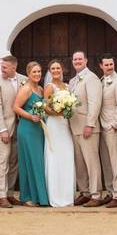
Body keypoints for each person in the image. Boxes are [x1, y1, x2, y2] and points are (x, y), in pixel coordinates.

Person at [0, 55, 26, 208]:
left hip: (22, 126)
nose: (1, 69)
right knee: (3, 160)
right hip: (5, 126)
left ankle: (10, 193)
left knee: (14, 161)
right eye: (1, 66)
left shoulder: (24, 79)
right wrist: (2, 129)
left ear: (14, 68)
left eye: (5, 67)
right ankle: (2, 195)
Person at [68, 51, 103, 207]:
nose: (77, 61)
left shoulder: (92, 78)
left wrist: (90, 124)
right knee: (80, 162)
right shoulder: (72, 81)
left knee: (91, 161)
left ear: (86, 61)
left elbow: (95, 103)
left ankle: (96, 194)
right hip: (74, 126)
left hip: (87, 127)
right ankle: (85, 192)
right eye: (75, 59)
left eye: (80, 59)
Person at [13, 61, 49, 206]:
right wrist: (30, 116)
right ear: (28, 74)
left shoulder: (40, 89)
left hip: (38, 129)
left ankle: (38, 195)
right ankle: (28, 196)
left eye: (39, 71)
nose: (37, 74)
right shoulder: (26, 89)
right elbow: (15, 107)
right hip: (27, 128)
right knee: (29, 161)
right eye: (34, 72)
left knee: (38, 161)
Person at [43, 60, 75, 207]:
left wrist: (67, 111)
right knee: (55, 156)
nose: (56, 70)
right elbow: (45, 107)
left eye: (58, 68)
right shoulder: (50, 87)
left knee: (67, 155)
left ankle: (67, 195)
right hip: (54, 125)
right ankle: (55, 195)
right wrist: (59, 112)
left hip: (65, 125)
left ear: (62, 69)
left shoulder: (67, 86)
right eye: (53, 68)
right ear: (50, 71)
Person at [98, 54, 117, 208]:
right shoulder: (101, 81)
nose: (109, 67)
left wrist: (115, 124)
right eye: (106, 65)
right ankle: (110, 192)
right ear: (101, 66)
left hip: (112, 127)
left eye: (111, 64)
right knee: (106, 161)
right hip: (101, 126)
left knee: (115, 161)